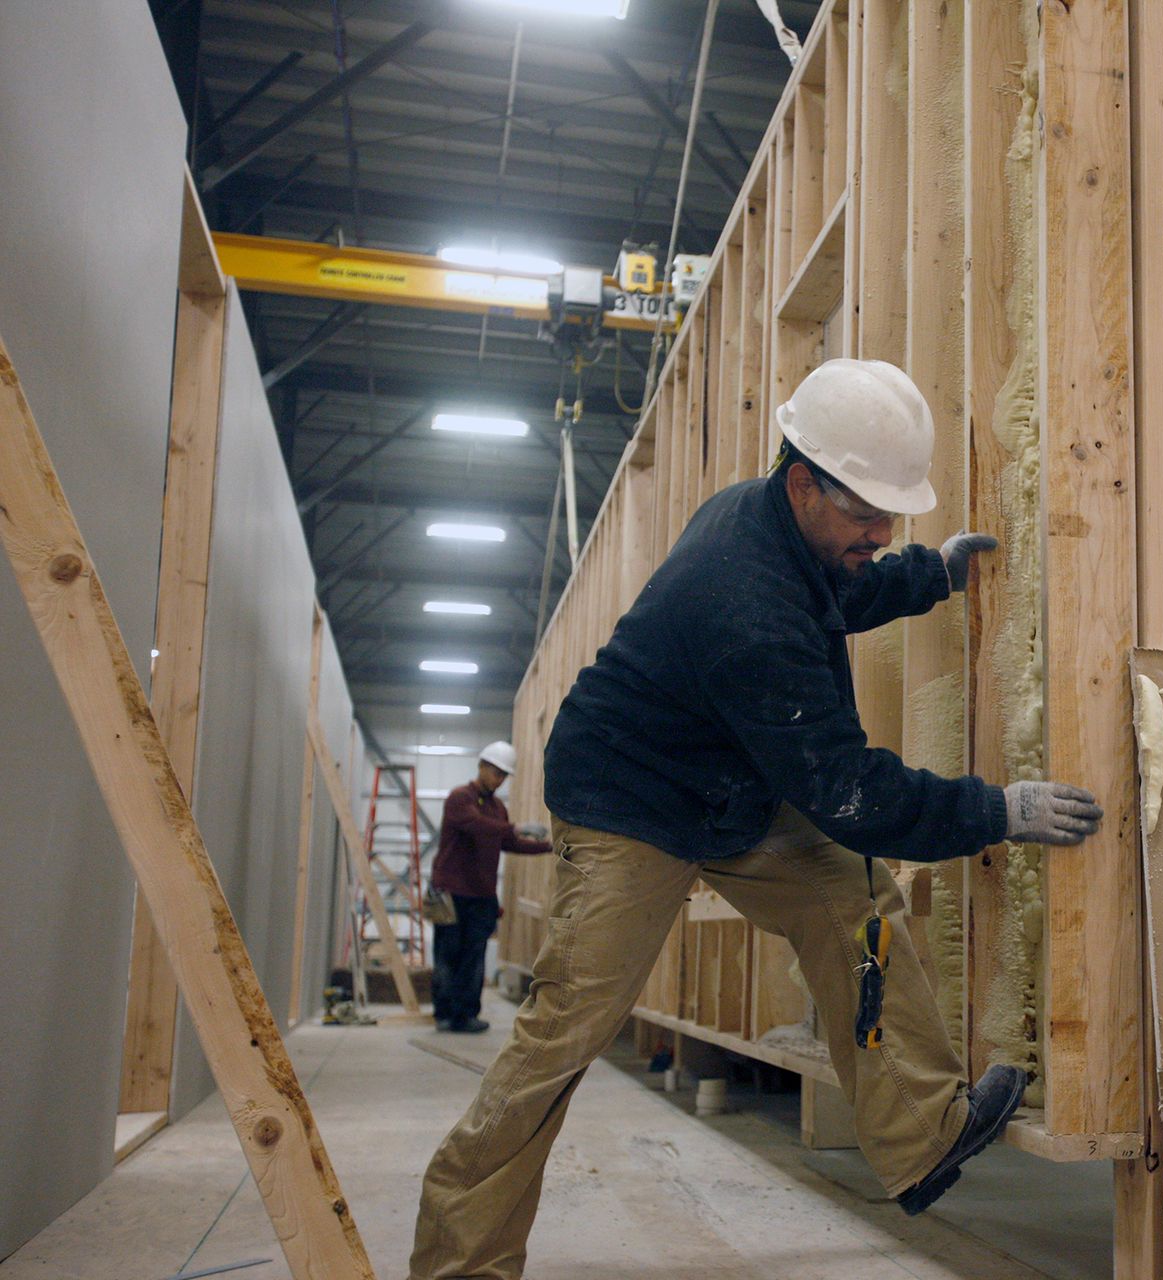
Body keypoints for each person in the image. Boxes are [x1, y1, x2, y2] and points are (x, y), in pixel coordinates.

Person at [409, 358, 1103, 1280]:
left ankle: (921, 1133)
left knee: (852, 905)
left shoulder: (782, 525)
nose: (881, 531)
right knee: (565, 1031)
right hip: (631, 801)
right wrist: (995, 810)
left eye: (890, 516)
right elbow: (851, 794)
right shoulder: (743, 602)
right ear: (805, 480)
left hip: (730, 780)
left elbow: (836, 590)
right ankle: (459, 1266)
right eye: (866, 515)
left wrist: (920, 576)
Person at [427, 741, 552, 1034]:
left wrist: (548, 847)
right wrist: (517, 827)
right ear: (481, 766)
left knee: (474, 958)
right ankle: (444, 1014)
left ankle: (466, 1015)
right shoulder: (460, 799)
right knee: (448, 955)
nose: (499, 779)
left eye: (503, 775)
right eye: (496, 772)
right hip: (452, 892)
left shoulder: (498, 808)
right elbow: (476, 825)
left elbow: (507, 842)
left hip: (482, 894)